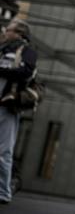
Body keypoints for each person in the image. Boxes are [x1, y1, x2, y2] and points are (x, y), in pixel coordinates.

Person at [0, 19, 37, 205]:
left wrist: (2, 69)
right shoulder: (2, 49)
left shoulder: (27, 52)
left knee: (4, 151)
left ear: (19, 34)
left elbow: (25, 72)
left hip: (7, 106)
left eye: (9, 30)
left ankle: (3, 193)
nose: (5, 32)